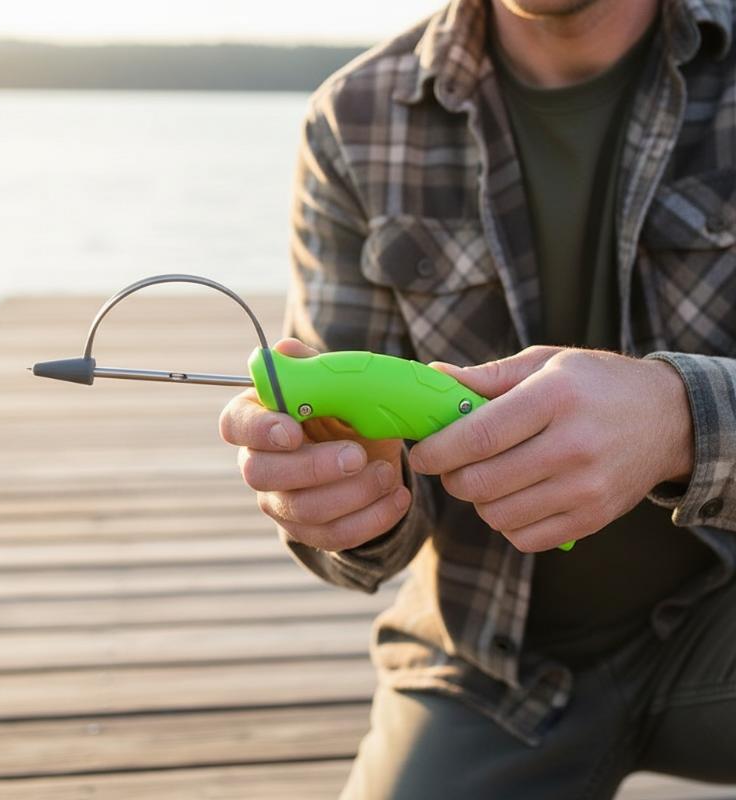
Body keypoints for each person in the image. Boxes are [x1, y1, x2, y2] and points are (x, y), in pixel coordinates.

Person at [219, 0, 736, 796]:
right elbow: (362, 512)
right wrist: (344, 502)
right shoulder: (354, 120)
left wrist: (681, 421)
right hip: (487, 656)